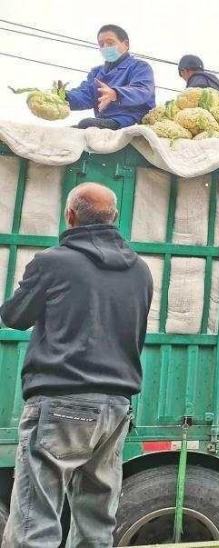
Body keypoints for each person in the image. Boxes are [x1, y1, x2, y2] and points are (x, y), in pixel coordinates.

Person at [0, 183, 153, 547]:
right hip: (116, 408)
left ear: (70, 216)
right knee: (96, 523)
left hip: (61, 402)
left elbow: (17, 316)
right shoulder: (141, 272)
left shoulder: (53, 262)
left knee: (36, 519)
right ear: (114, 218)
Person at [66, 24, 156, 130]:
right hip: (103, 121)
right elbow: (86, 94)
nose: (105, 47)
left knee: (85, 123)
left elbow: (142, 90)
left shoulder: (139, 67)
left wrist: (116, 93)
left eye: (110, 43)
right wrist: (63, 97)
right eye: (101, 44)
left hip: (132, 119)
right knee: (69, 131)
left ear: (126, 44)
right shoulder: (96, 72)